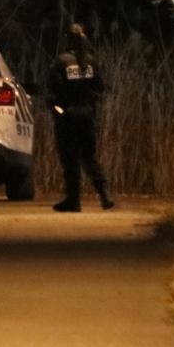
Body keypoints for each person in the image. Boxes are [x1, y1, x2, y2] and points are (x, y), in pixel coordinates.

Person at [47, 23, 114, 212]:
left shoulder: (61, 62)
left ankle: (73, 200)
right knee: (89, 157)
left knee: (70, 159)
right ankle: (104, 194)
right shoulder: (91, 62)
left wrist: (55, 109)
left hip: (68, 115)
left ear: (67, 39)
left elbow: (52, 90)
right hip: (88, 115)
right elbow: (100, 88)